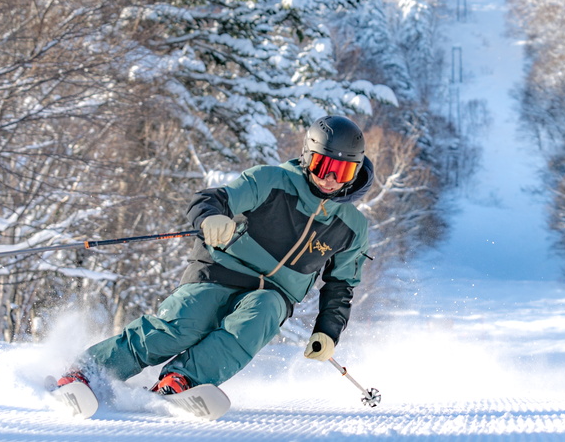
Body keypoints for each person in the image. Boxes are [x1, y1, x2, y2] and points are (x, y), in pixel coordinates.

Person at [55, 114, 373, 398]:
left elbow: (340, 286)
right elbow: (212, 199)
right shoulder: (271, 181)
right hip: (221, 269)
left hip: (275, 293)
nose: (330, 179)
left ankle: (183, 381)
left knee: (256, 319)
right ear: (307, 157)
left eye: (342, 171)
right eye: (323, 166)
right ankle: (89, 371)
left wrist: (328, 331)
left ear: (355, 171)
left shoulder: (351, 228)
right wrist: (211, 217)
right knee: (181, 326)